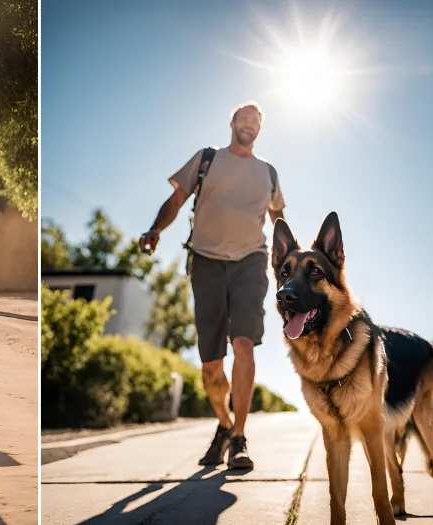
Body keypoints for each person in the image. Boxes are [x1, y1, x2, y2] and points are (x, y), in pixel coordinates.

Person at [139, 102, 286, 468]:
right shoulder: (207, 159)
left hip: (251, 262)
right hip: (205, 262)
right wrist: (156, 229)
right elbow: (176, 199)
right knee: (210, 364)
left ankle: (239, 438)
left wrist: (289, 260)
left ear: (259, 130)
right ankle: (223, 425)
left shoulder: (268, 172)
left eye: (256, 121)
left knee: (244, 343)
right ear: (232, 123)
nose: (249, 124)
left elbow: (278, 217)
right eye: (244, 118)